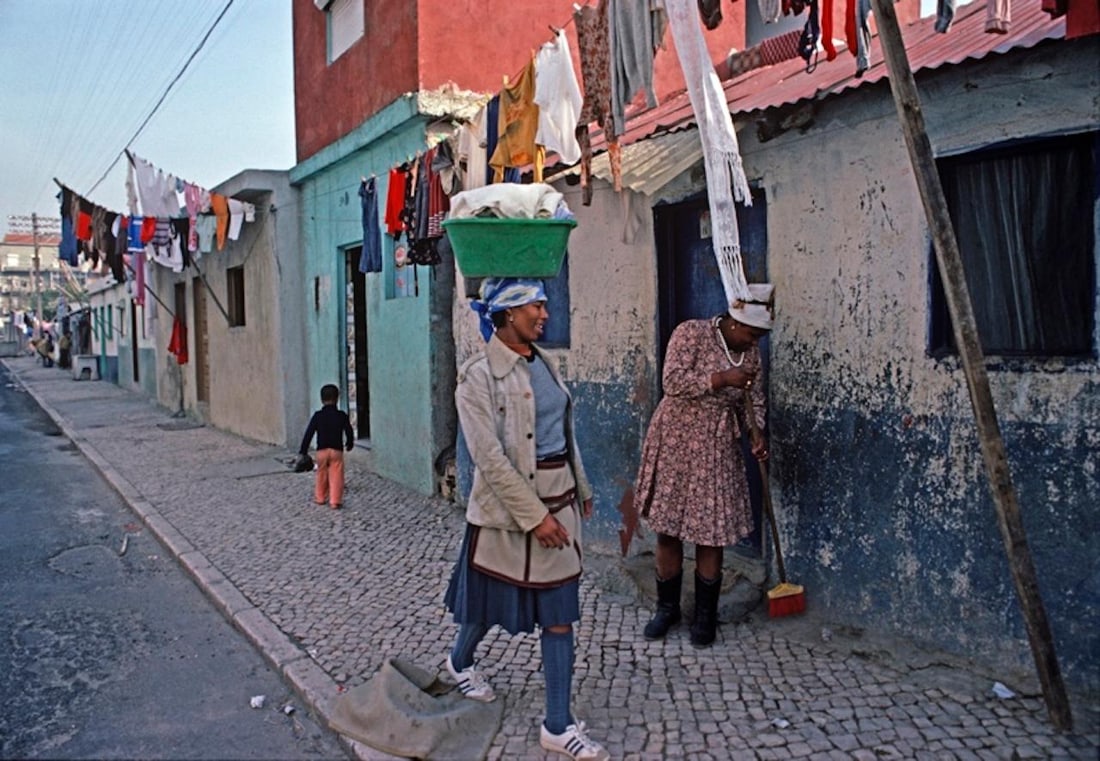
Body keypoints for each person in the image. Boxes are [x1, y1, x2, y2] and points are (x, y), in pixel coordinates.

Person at [442, 278, 608, 761]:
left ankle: (557, 725)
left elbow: (563, 431)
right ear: (508, 313)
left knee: (559, 614)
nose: (545, 314)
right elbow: (489, 460)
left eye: (544, 305)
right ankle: (459, 661)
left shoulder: (544, 362)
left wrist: (582, 487)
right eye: (535, 306)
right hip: (506, 515)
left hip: (560, 499)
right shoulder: (477, 378)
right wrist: (535, 518)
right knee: (486, 603)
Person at [634, 284, 775, 648]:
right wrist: (719, 378)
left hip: (717, 445)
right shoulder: (691, 333)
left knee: (710, 533)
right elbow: (672, 382)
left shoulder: (752, 356)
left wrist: (756, 434)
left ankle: (705, 616)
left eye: (760, 335)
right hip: (677, 438)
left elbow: (753, 402)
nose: (754, 341)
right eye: (751, 332)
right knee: (668, 528)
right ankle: (667, 610)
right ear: (733, 321)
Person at [298, 384, 354, 509]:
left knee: (321, 473)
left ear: (321, 399)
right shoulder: (341, 415)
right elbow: (349, 431)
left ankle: (320, 497)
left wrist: (303, 450)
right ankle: (335, 501)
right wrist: (350, 443)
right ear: (337, 398)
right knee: (337, 474)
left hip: (321, 451)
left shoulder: (318, 416)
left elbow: (309, 433)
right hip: (336, 450)